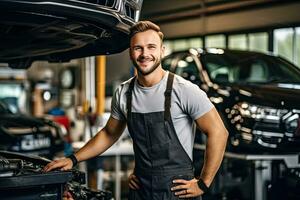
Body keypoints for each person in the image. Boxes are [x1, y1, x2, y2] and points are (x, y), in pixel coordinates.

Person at [44, 20, 228, 199]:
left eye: (151, 47)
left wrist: (203, 183)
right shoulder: (124, 93)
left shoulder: (184, 90)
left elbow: (218, 132)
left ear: (162, 51)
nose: (144, 53)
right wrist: (72, 159)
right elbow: (109, 133)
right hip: (140, 188)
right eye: (138, 48)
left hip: (177, 190)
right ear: (131, 53)